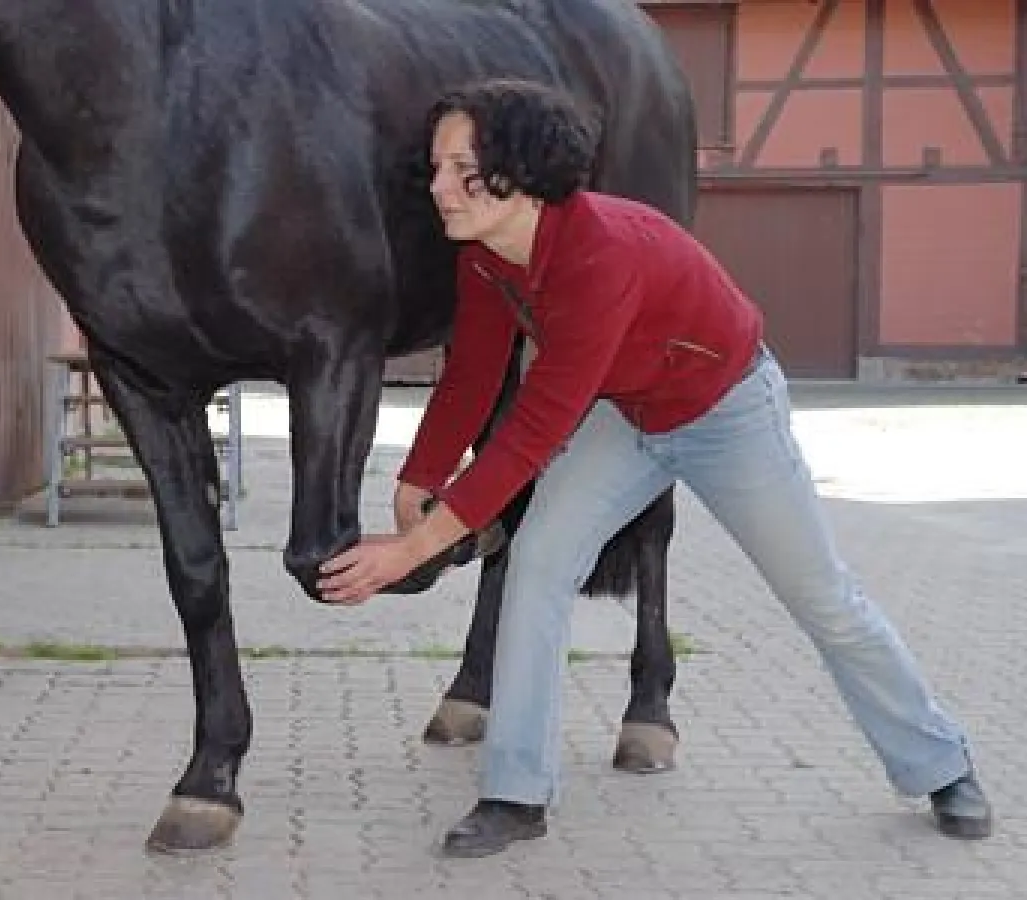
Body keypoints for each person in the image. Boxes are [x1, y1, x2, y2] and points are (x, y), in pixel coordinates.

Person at [318, 79, 992, 857]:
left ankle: (939, 761)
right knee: (536, 566)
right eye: (434, 166)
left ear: (523, 170)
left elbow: (534, 428)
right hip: (628, 414)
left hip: (727, 409)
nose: (438, 187)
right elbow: (472, 370)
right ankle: (514, 792)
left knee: (821, 597)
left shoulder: (601, 255)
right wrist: (419, 474)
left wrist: (410, 550)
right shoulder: (484, 256)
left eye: (461, 168)